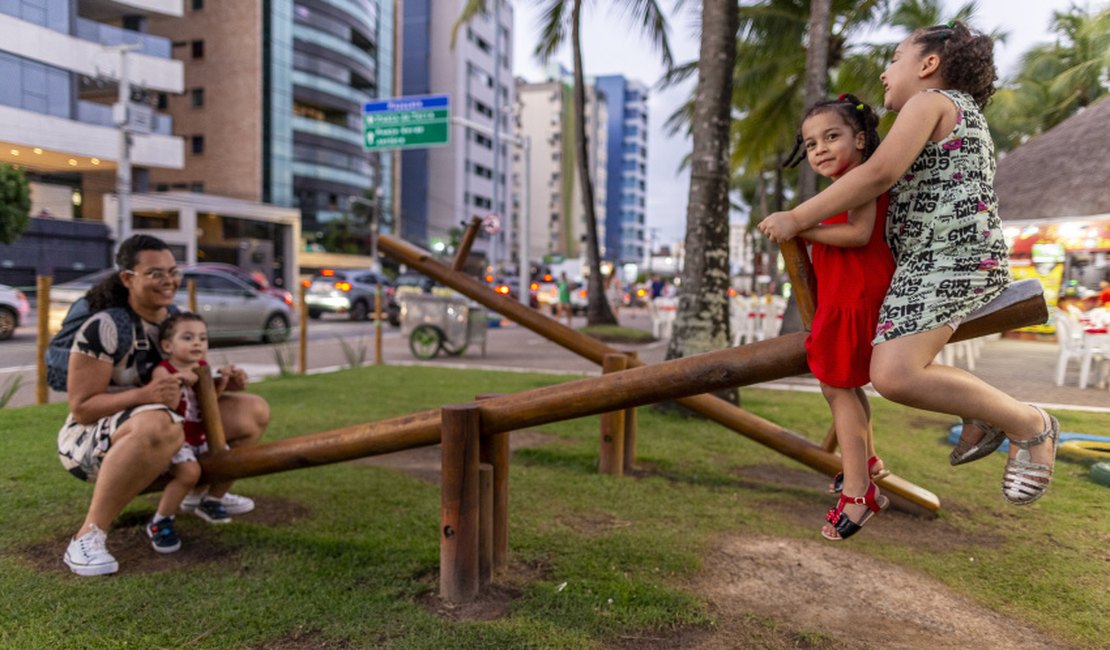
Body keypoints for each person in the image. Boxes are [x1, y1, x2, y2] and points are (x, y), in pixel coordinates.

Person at [758, 22, 1060, 507]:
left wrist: (796, 217)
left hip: (952, 257)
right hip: (929, 262)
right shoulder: (955, 114)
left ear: (928, 65)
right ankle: (979, 414)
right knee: (893, 367)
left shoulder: (931, 102)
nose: (884, 73)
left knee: (895, 375)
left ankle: (1030, 423)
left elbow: (878, 174)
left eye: (895, 59)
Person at [58, 235, 269, 576]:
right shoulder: (104, 328)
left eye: (172, 271)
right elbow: (82, 408)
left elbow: (190, 387)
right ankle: (88, 536)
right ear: (128, 278)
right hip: (90, 443)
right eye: (155, 273)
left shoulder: (175, 321)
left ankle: (200, 496)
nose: (168, 280)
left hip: (167, 427)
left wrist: (221, 383)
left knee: (252, 410)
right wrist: (146, 395)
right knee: (161, 423)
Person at [783, 94, 894, 539]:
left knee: (838, 389)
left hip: (855, 298)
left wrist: (798, 225)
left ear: (861, 139)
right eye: (811, 144)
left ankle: (858, 492)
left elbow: (858, 232)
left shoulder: (862, 178)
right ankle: (865, 463)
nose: (821, 149)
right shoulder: (845, 183)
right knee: (843, 385)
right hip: (844, 297)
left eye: (832, 136)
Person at [143, 312, 230, 553]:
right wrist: (181, 380)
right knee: (188, 474)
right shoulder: (163, 371)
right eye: (188, 337)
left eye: (203, 338)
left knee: (230, 462)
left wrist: (220, 383)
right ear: (168, 346)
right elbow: (166, 405)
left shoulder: (203, 367)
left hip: (201, 434)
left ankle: (211, 501)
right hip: (178, 437)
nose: (197, 343)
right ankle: (160, 520)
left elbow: (209, 402)